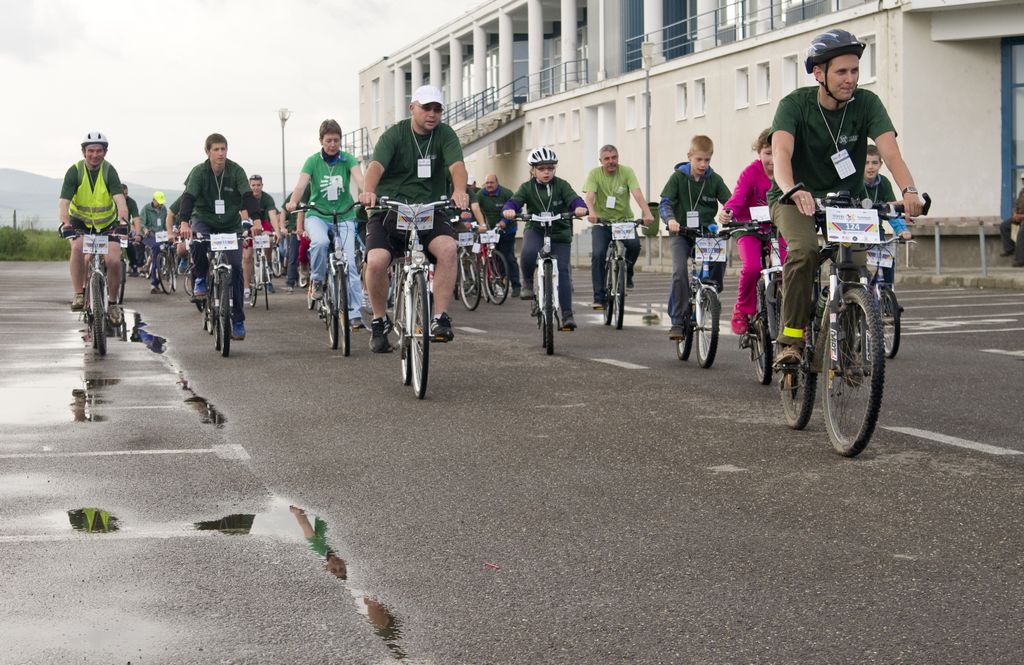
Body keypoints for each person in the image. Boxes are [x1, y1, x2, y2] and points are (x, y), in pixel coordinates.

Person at [769, 28, 923, 366]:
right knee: (805, 250)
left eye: (855, 70)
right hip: (794, 197)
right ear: (818, 73)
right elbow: (780, 152)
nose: (850, 79)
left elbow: (892, 154)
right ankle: (791, 339)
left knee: (854, 265)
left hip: (844, 202)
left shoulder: (867, 104)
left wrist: (909, 190)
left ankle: (851, 351)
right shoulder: (795, 105)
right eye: (841, 71)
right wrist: (792, 188)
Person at [357, 85, 469, 353]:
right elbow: (376, 166)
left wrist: (460, 190)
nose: (432, 114)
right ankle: (379, 319)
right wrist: (369, 191)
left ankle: (440, 318)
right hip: (390, 209)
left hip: (429, 210)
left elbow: (457, 166)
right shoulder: (395, 135)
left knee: (448, 249)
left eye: (437, 109)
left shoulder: (445, 135)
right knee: (377, 260)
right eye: (426, 108)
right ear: (412, 108)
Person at [176, 133, 263, 341]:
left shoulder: (236, 171)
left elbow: (247, 197)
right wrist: (184, 222)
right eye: (216, 149)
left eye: (223, 149)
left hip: (230, 224)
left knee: (236, 269)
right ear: (207, 152)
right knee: (196, 242)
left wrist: (257, 220)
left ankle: (238, 320)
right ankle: (200, 278)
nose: (220, 153)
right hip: (204, 219)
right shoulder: (199, 172)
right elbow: (188, 198)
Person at [286, 119, 366, 328]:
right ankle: (318, 279)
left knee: (349, 265)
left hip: (344, 215)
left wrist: (366, 192)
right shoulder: (312, 161)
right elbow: (301, 185)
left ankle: (355, 313)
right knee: (320, 243)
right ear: (321, 140)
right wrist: (294, 201)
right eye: (329, 140)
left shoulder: (347, 159)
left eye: (336, 140)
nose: (333, 145)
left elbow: (360, 179)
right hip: (318, 215)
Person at [502, 147, 589, 331]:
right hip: (536, 229)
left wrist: (580, 207)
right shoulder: (527, 187)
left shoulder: (561, 185)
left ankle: (567, 315)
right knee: (527, 252)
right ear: (533, 170)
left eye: (550, 168)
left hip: (559, 232)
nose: (546, 172)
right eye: (541, 169)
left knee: (563, 271)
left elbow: (574, 199)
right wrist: (509, 209)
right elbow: (514, 201)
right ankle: (527, 282)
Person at [659, 135, 732, 340]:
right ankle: (677, 320)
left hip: (705, 232)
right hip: (680, 232)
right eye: (699, 159)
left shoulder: (714, 179)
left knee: (720, 255)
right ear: (689, 156)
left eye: (707, 160)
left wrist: (728, 212)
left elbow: (731, 202)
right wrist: (670, 219)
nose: (703, 164)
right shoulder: (678, 177)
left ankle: (710, 292)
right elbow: (665, 203)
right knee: (679, 271)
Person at [719, 129, 787, 335]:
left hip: (777, 229)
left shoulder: (787, 172)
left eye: (776, 153)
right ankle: (742, 309)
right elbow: (738, 197)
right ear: (759, 153)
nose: (772, 160)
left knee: (788, 268)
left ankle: (792, 317)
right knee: (751, 267)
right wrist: (728, 212)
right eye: (767, 153)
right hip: (748, 227)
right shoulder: (750, 173)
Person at [58, 131, 130, 325]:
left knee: (114, 260)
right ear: (84, 152)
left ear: (105, 152)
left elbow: (119, 200)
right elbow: (64, 202)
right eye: (91, 151)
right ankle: (79, 294)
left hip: (107, 223)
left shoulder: (109, 171)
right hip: (80, 222)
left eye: (99, 151)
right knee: (77, 247)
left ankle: (113, 304)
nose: (95, 155)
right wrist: (66, 223)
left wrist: (123, 221)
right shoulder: (75, 171)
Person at [583, 144, 653, 309]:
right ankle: (599, 297)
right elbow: (589, 197)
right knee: (598, 254)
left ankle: (627, 273)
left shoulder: (627, 172)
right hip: (602, 222)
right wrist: (592, 213)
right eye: (607, 159)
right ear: (601, 161)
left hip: (624, 221)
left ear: (618, 158)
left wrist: (647, 213)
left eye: (614, 157)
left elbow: (637, 194)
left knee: (635, 245)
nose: (611, 161)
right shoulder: (594, 174)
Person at [863, 144, 911, 285]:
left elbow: (891, 210)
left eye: (874, 162)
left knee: (888, 259)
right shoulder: (855, 183)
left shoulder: (884, 183)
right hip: (856, 231)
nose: (870, 167)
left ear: (881, 164)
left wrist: (902, 230)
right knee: (856, 267)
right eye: (866, 163)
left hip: (876, 232)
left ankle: (887, 296)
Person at [471, 173, 521, 297]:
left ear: (497, 183)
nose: (489, 185)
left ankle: (516, 286)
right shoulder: (481, 195)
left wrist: (505, 221)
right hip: (490, 232)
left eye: (491, 182)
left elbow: (517, 210)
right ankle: (500, 284)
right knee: (494, 257)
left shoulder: (506, 193)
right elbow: (474, 209)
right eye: (487, 183)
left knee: (508, 257)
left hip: (506, 231)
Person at [245, 174, 282, 297]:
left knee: (269, 239)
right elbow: (242, 216)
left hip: (263, 223)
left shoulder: (267, 198)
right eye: (253, 185)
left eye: (258, 185)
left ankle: (267, 262)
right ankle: (247, 285)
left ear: (262, 185)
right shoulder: (245, 197)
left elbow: (272, 216)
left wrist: (277, 231)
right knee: (247, 255)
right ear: (249, 186)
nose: (256, 188)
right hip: (248, 224)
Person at [281, 184, 310, 293]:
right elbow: (284, 210)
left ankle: (317, 280)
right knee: (293, 256)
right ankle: (290, 282)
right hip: (295, 231)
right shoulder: (296, 193)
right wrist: (282, 227)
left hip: (311, 228)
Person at [140, 191, 168, 293]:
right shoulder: (146, 209)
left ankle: (149, 264)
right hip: (149, 235)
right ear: (154, 200)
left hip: (161, 235)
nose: (160, 204)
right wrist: (145, 229)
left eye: (162, 202)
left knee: (167, 247)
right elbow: (142, 223)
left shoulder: (164, 209)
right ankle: (154, 282)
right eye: (159, 202)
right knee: (156, 248)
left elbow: (165, 223)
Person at [998, 174, 1024, 267]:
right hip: (1020, 217)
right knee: (1004, 226)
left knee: (1021, 233)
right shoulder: (1022, 192)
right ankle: (1010, 249)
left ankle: (1020, 259)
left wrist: (1021, 216)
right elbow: (1017, 205)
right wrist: (1015, 214)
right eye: (1022, 180)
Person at [122, 184, 143, 276]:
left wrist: (138, 234)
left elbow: (136, 219)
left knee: (130, 245)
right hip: (111, 227)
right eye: (122, 194)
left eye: (126, 194)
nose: (124, 196)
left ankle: (134, 265)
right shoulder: (111, 200)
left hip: (125, 228)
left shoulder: (131, 202)